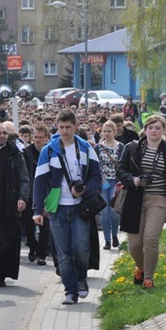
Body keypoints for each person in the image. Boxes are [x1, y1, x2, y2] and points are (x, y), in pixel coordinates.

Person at [32, 110, 101, 305]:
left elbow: (96, 175)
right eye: (61, 127)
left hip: (80, 207)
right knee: (63, 253)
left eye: (68, 127)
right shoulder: (50, 150)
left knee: (81, 249)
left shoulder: (86, 148)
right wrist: (37, 210)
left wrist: (86, 190)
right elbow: (39, 180)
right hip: (57, 207)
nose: (64, 131)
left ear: (75, 126)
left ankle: (81, 279)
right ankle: (70, 291)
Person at [117, 114, 166, 289]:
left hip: (159, 199)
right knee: (134, 244)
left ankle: (148, 278)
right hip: (135, 199)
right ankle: (140, 267)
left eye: (157, 128)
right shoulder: (133, 148)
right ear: (145, 129)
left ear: (163, 131)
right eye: (150, 127)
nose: (153, 131)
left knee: (151, 239)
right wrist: (133, 180)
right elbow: (121, 170)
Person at [0, 123, 30, 287]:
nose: (2, 136)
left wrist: (23, 197)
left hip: (10, 203)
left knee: (6, 240)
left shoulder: (15, 154)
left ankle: (1, 274)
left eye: (4, 133)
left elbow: (24, 178)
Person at [94, 121, 124, 250]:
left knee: (114, 211)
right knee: (105, 212)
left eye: (109, 131)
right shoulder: (97, 147)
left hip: (116, 182)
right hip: (103, 183)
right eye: (104, 131)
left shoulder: (121, 147)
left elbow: (123, 164)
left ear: (114, 132)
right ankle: (107, 240)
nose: (106, 133)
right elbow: (95, 165)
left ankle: (115, 235)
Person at [25, 125, 50, 266]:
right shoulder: (26, 152)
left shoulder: (50, 152)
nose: (38, 140)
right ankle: (32, 247)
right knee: (28, 225)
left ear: (46, 138)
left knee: (45, 226)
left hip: (45, 193)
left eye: (41, 137)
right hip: (30, 193)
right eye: (36, 137)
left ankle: (42, 254)